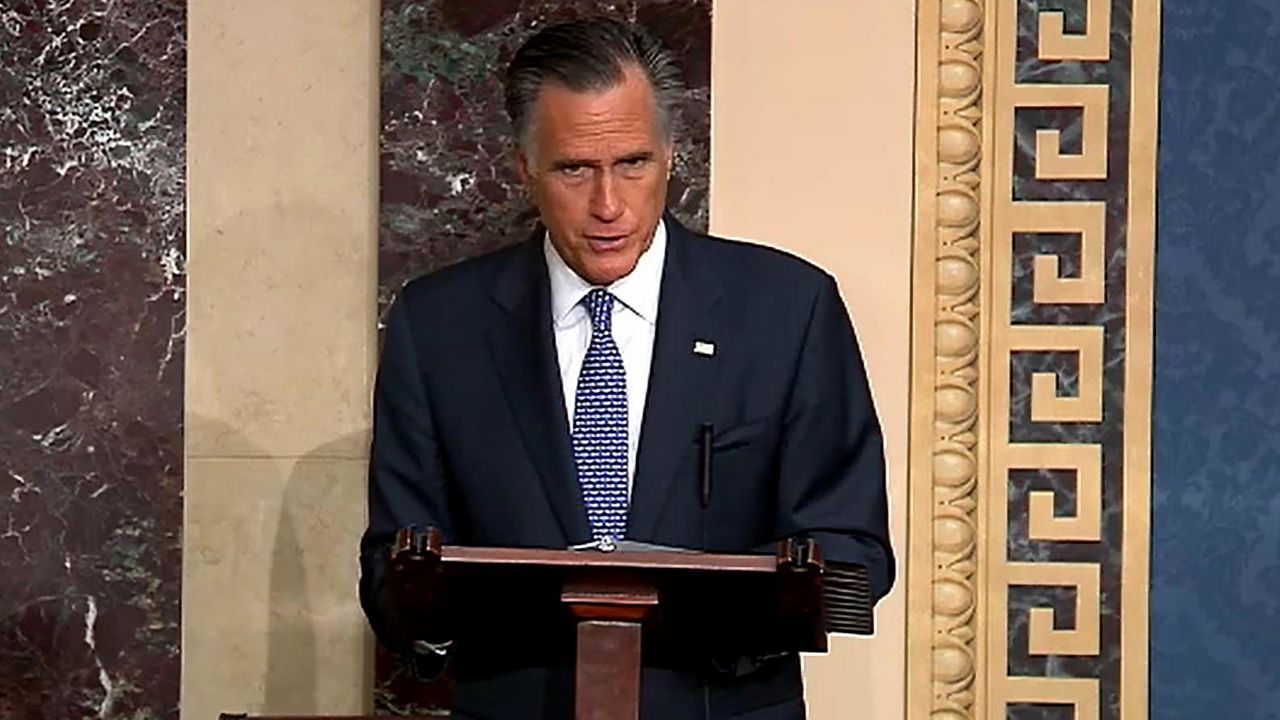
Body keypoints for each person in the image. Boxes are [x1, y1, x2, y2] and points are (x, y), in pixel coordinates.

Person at [360, 17, 894, 720]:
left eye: (632, 164)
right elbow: (389, 576)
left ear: (672, 154)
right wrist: (433, 610)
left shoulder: (787, 311)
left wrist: (700, 607)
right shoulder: (438, 327)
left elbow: (852, 547)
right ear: (524, 169)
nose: (608, 206)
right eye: (574, 169)